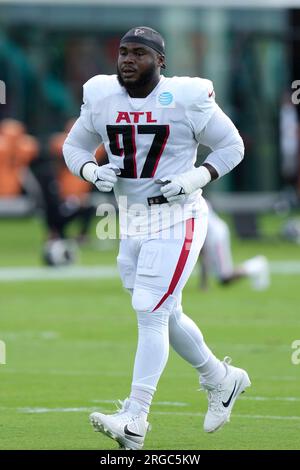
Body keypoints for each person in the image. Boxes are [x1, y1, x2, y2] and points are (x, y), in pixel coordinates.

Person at [63, 26, 250, 450]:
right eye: (123, 53)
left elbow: (232, 146)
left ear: (160, 62)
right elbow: (73, 147)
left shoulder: (186, 96)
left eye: (139, 54)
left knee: (149, 309)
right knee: (166, 313)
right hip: (130, 221)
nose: (128, 60)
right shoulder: (101, 94)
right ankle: (221, 379)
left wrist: (195, 177)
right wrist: (92, 172)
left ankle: (135, 418)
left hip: (178, 216)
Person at [200, 203, 270, 290]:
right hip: (213, 233)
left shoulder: (194, 200)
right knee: (223, 279)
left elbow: (203, 255)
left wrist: (204, 284)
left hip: (215, 236)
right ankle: (256, 265)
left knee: (225, 277)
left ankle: (257, 264)